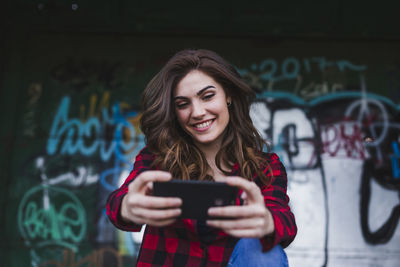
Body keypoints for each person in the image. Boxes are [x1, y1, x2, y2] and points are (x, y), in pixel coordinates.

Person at [106, 49, 297, 266]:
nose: (197, 112)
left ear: (229, 96)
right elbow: (118, 202)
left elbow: (284, 219)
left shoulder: (264, 167)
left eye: (207, 96)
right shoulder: (157, 161)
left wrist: (266, 222)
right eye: (182, 104)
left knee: (262, 249)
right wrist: (127, 206)